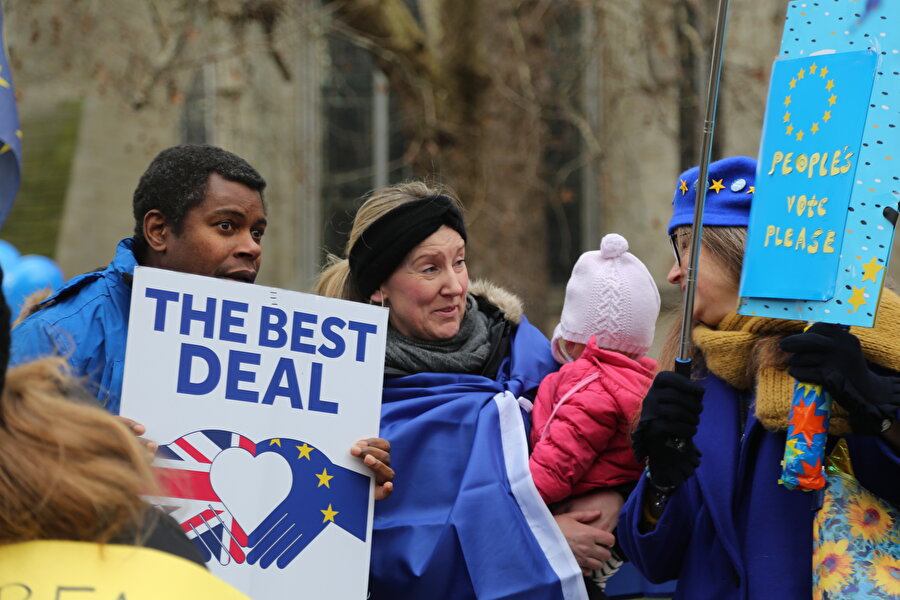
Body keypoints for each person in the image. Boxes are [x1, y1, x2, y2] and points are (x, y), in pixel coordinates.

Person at [8, 144, 393, 495]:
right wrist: (84, 465)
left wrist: (351, 482)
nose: (251, 249)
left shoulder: (281, 342)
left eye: (257, 232)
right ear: (159, 231)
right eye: (227, 226)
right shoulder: (56, 335)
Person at [617, 156, 900, 599]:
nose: (673, 274)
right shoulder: (694, 378)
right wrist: (660, 477)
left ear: (740, 253)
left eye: (685, 250)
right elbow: (653, 560)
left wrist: (879, 412)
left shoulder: (858, 344)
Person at [315, 182, 614, 600]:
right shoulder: (346, 393)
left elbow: (596, 456)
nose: (455, 286)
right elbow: (384, 552)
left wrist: (611, 499)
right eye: (429, 268)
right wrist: (543, 542)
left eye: (459, 262)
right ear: (379, 286)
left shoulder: (526, 352)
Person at [530, 233, 660, 596]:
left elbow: (557, 465)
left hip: (577, 515)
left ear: (573, 340)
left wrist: (519, 502)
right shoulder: (641, 384)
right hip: (612, 511)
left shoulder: (587, 387)